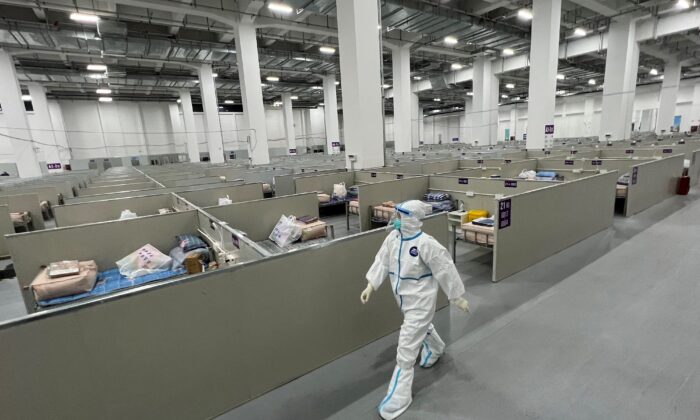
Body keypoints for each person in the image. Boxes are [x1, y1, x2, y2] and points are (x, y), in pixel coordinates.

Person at [361, 200, 470, 419]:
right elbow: (382, 262)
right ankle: (436, 347)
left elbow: (445, 268)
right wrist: (371, 285)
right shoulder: (392, 238)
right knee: (420, 329)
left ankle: (398, 397)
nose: (397, 220)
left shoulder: (425, 244)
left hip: (420, 304)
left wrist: (457, 297)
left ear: (413, 218)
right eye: (397, 215)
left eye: (402, 216)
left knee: (406, 349)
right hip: (404, 301)